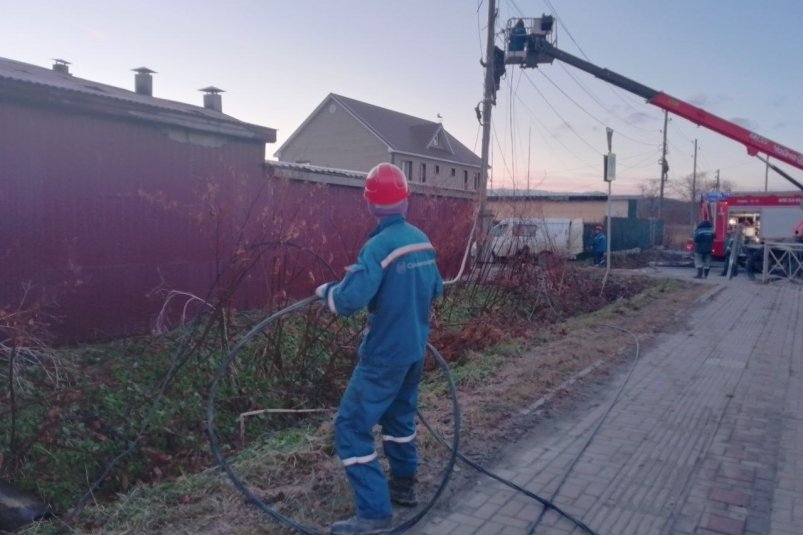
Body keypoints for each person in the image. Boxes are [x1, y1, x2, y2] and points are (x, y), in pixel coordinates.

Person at [315, 162, 444, 535]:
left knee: (351, 428)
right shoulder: (422, 240)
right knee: (399, 420)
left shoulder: (377, 247)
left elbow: (348, 302)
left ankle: (373, 513)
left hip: (383, 356)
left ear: (369, 203)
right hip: (414, 352)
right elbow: (437, 289)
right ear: (406, 198)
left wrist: (327, 292)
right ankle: (403, 487)